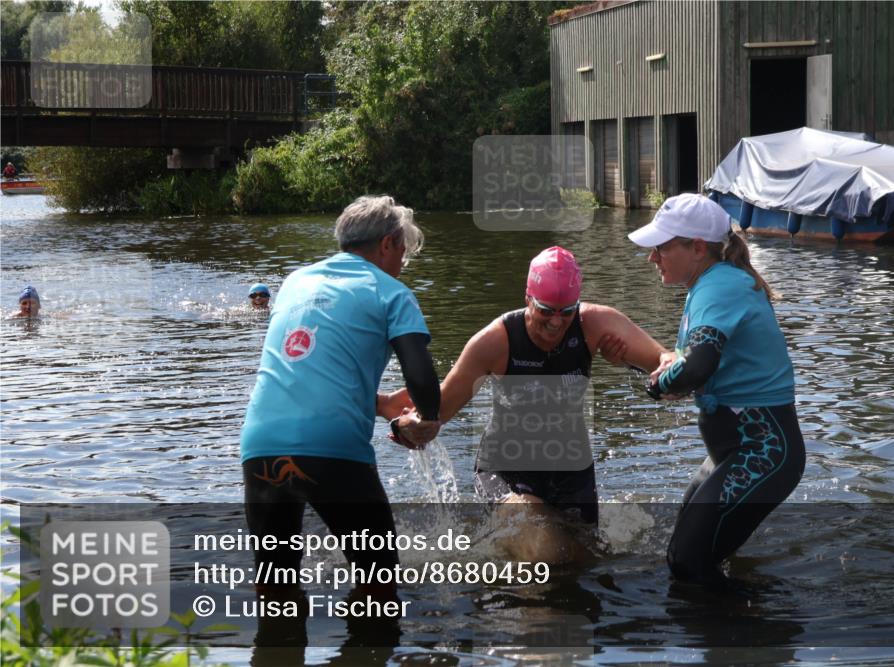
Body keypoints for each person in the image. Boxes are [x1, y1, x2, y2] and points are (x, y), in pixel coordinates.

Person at [394, 246, 672, 562]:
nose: (556, 323)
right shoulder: (495, 341)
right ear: (528, 299)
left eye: (566, 312)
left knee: (583, 561)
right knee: (542, 545)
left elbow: (665, 362)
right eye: (546, 310)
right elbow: (439, 410)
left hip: (570, 469)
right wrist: (408, 425)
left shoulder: (595, 324)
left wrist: (628, 362)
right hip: (507, 466)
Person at [240, 195, 441, 612]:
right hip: (332, 453)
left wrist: (382, 403)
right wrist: (428, 418)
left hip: (261, 446)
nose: (402, 263)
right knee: (379, 586)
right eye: (402, 252)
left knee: (275, 591)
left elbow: (309, 375)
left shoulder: (297, 281)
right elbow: (422, 379)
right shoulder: (392, 293)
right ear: (387, 244)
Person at [628, 193, 805, 587]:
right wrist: (677, 368)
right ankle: (738, 628)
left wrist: (658, 385)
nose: (652, 258)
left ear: (696, 247)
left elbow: (699, 366)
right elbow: (700, 363)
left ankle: (745, 635)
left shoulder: (718, 287)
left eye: (661, 248)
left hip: (763, 452)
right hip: (739, 451)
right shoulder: (715, 282)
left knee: (686, 563)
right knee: (685, 557)